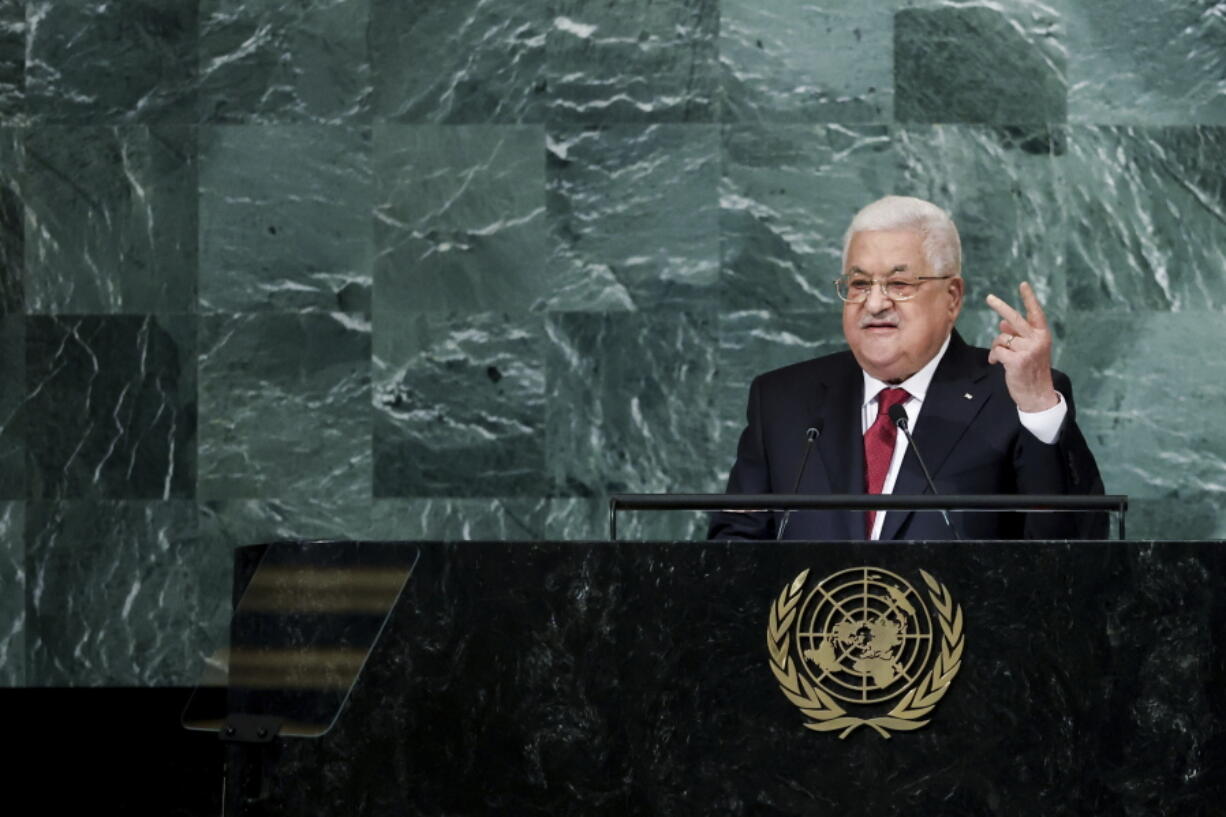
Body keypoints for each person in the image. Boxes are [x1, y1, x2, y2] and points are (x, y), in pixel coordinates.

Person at [708, 195, 1105, 541]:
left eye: (899, 285)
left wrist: (1037, 406)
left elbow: (1070, 551)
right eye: (860, 284)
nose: (876, 303)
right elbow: (735, 551)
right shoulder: (782, 400)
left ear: (952, 298)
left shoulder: (1013, 397)